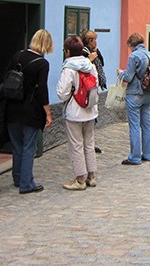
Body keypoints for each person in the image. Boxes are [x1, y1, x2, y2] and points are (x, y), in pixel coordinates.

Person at [5, 29, 53, 194]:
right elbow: (42, 91)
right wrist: (47, 112)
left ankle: (18, 178)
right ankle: (26, 183)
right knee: (28, 147)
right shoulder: (42, 63)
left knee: (17, 146)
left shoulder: (17, 56)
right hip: (30, 109)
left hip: (12, 107)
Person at [56, 36, 98, 190]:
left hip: (74, 111)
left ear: (67, 52)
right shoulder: (89, 65)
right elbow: (96, 84)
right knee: (89, 143)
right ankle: (91, 176)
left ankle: (80, 179)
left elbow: (63, 93)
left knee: (76, 145)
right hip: (90, 109)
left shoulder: (69, 68)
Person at [117, 32, 150, 165]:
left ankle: (135, 157)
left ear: (132, 44)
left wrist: (121, 73)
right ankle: (148, 154)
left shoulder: (134, 56)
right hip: (147, 92)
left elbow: (128, 77)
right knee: (146, 124)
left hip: (134, 93)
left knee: (134, 126)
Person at [81, 29, 105, 153]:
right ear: (90, 40)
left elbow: (102, 62)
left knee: (93, 116)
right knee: (89, 117)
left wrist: (96, 51)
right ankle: (87, 143)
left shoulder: (93, 51)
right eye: (94, 40)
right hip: (87, 88)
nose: (95, 42)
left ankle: (89, 142)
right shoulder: (84, 53)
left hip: (93, 87)